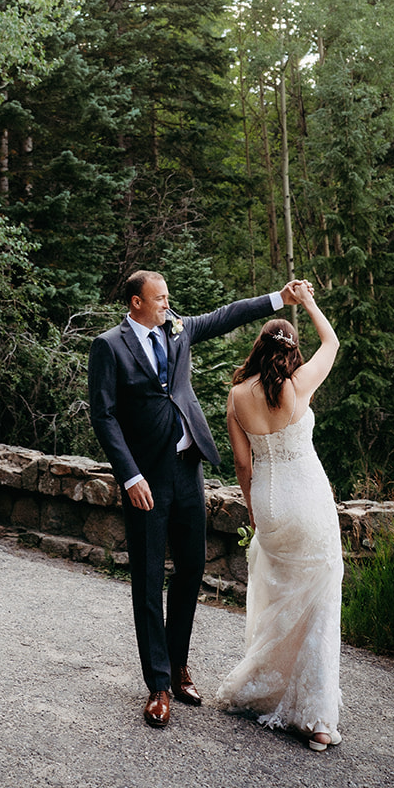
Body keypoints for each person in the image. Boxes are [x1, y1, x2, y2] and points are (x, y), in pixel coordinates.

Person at [88, 269, 309, 728]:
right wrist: (129, 476)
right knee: (149, 579)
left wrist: (278, 298)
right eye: (160, 298)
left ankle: (180, 663)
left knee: (191, 569)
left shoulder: (177, 327)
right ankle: (158, 686)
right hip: (145, 478)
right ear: (135, 303)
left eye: (169, 297)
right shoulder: (109, 347)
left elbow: (226, 317)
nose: (168, 304)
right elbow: (104, 417)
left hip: (189, 469)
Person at [214, 280, 343, 750]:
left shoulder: (236, 396)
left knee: (277, 597)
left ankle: (263, 687)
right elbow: (331, 343)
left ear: (257, 347)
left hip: (269, 502)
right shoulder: (296, 386)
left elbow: (243, 465)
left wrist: (255, 512)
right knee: (319, 601)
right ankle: (317, 719)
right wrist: (308, 300)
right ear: (289, 352)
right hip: (308, 499)